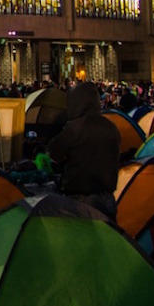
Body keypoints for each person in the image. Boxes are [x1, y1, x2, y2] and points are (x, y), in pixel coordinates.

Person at [47, 81, 121, 219]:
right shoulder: (111, 127)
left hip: (81, 196)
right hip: (107, 196)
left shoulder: (75, 128)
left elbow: (54, 152)